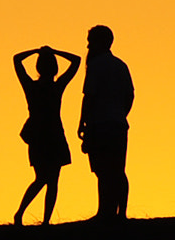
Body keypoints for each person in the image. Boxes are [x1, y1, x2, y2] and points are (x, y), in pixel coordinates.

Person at [12, 45, 81, 226]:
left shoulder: (33, 86)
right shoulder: (55, 86)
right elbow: (76, 61)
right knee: (48, 179)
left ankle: (42, 220)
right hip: (49, 134)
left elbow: (17, 59)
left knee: (46, 179)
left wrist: (36, 51)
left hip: (42, 134)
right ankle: (27, 215)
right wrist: (54, 51)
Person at [77, 25, 134, 222]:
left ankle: (104, 212)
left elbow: (89, 96)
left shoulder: (95, 65)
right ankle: (121, 213)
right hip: (118, 124)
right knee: (118, 170)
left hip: (100, 124)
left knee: (102, 170)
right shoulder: (121, 65)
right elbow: (130, 96)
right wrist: (120, 113)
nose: (88, 45)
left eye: (90, 40)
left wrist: (83, 122)